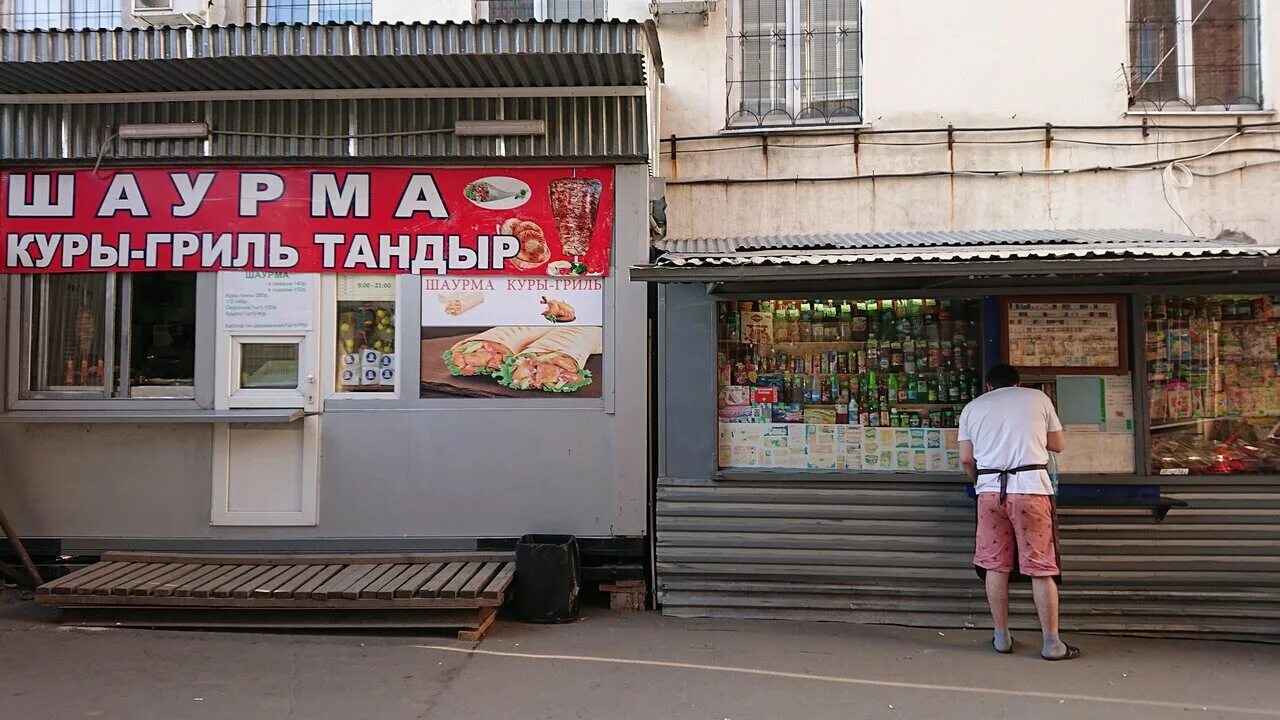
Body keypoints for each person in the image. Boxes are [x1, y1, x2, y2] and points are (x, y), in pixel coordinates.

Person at [958, 363, 1079, 661]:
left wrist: (981, 482)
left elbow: (965, 459)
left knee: (995, 564)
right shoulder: (1038, 399)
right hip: (1031, 489)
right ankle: (1051, 643)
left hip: (988, 491)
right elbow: (1059, 445)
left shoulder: (972, 408)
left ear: (988, 386)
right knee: (1040, 565)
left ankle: (1001, 637)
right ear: (1018, 383)